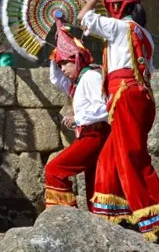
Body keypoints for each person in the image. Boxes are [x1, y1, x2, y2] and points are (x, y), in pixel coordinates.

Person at [79, 0, 159, 242]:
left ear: (117, 6)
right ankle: (111, 211)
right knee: (110, 154)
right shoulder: (145, 35)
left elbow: (83, 17)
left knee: (130, 156)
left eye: (109, 4)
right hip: (141, 96)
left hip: (124, 95)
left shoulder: (117, 27)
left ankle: (157, 215)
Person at [45, 19, 110, 212]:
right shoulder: (77, 82)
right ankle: (97, 221)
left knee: (54, 170)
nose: (62, 69)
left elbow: (106, 108)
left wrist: (78, 119)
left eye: (65, 63)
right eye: (60, 64)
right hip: (89, 135)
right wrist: (58, 39)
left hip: (96, 135)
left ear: (77, 59)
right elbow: (55, 79)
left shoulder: (90, 77)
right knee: (93, 185)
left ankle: (63, 219)